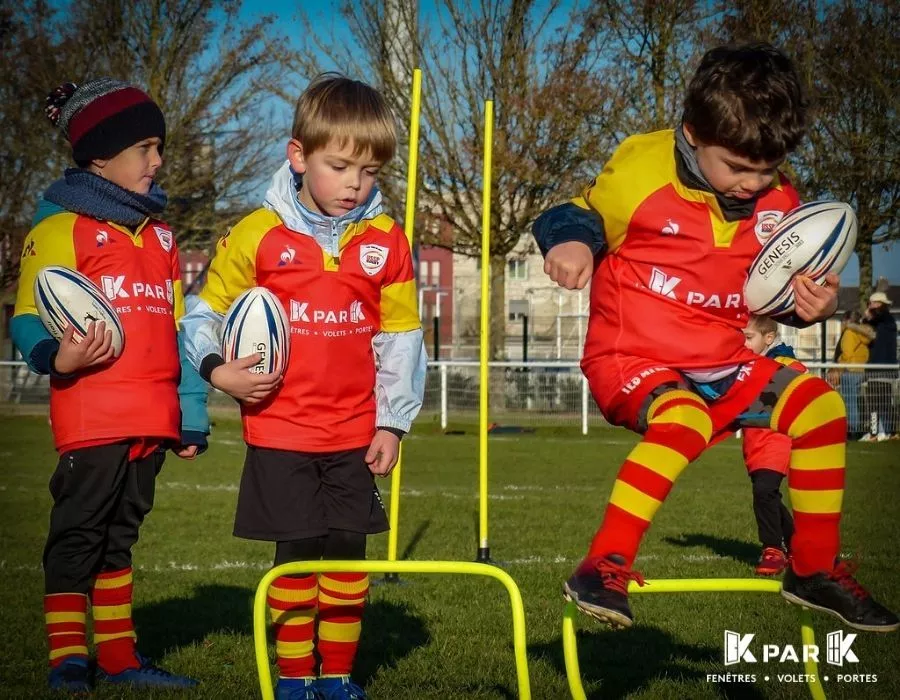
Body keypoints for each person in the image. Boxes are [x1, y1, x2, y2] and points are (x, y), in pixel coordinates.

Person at [532, 43, 898, 632]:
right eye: (738, 167)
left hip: (725, 361)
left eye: (767, 168)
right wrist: (572, 241)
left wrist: (812, 306)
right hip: (630, 356)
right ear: (694, 133)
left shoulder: (782, 198)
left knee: (822, 410)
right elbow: (576, 214)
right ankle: (601, 565)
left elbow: (774, 296)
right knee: (685, 421)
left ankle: (811, 570)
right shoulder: (641, 168)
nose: (754, 183)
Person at [181, 74, 426, 700]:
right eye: (339, 165)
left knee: (346, 550)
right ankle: (295, 679)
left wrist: (392, 421)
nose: (355, 183)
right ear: (299, 156)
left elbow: (400, 336)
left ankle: (338, 676)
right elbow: (201, 315)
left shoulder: (387, 241)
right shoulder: (257, 233)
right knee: (296, 551)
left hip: (353, 430)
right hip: (282, 429)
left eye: (370, 172)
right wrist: (217, 371)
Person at [10, 79, 209, 692]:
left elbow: (178, 331)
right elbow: (23, 317)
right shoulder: (60, 227)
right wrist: (58, 357)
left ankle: (121, 660)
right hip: (93, 417)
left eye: (160, 147)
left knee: (121, 539)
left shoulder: (163, 237)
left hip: (152, 418)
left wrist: (191, 414)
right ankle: (69, 657)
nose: (159, 160)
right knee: (78, 534)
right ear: (100, 155)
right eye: (146, 147)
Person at [741, 315, 801, 576]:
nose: (743, 343)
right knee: (769, 496)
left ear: (768, 338)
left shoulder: (787, 363)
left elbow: (789, 389)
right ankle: (799, 545)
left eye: (748, 337)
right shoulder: (746, 363)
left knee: (764, 491)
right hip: (754, 442)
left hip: (776, 439)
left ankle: (773, 550)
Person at [828, 309, 873, 440]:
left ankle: (851, 430)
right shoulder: (863, 334)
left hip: (850, 370)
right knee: (855, 401)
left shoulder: (848, 333)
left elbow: (847, 354)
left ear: (847, 321)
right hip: (860, 370)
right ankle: (855, 429)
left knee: (849, 402)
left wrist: (838, 369)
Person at [860, 291, 897, 441]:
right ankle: (874, 433)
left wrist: (871, 310)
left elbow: (879, 315)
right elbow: (864, 324)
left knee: (884, 403)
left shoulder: (888, 320)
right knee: (875, 404)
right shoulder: (876, 322)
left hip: (884, 369)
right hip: (874, 369)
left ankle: (892, 432)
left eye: (874, 304)